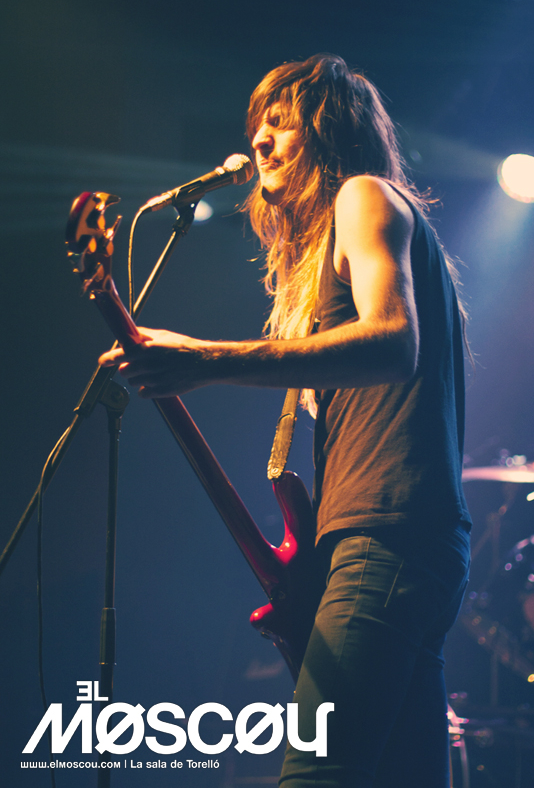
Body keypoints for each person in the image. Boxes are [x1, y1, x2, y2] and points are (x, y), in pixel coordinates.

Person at [99, 54, 471, 788]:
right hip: (400, 545)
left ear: (330, 129)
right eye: (256, 127)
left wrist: (205, 359)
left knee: (314, 773)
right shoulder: (332, 242)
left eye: (281, 122)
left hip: (385, 536)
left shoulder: (365, 196)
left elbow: (393, 341)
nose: (260, 140)